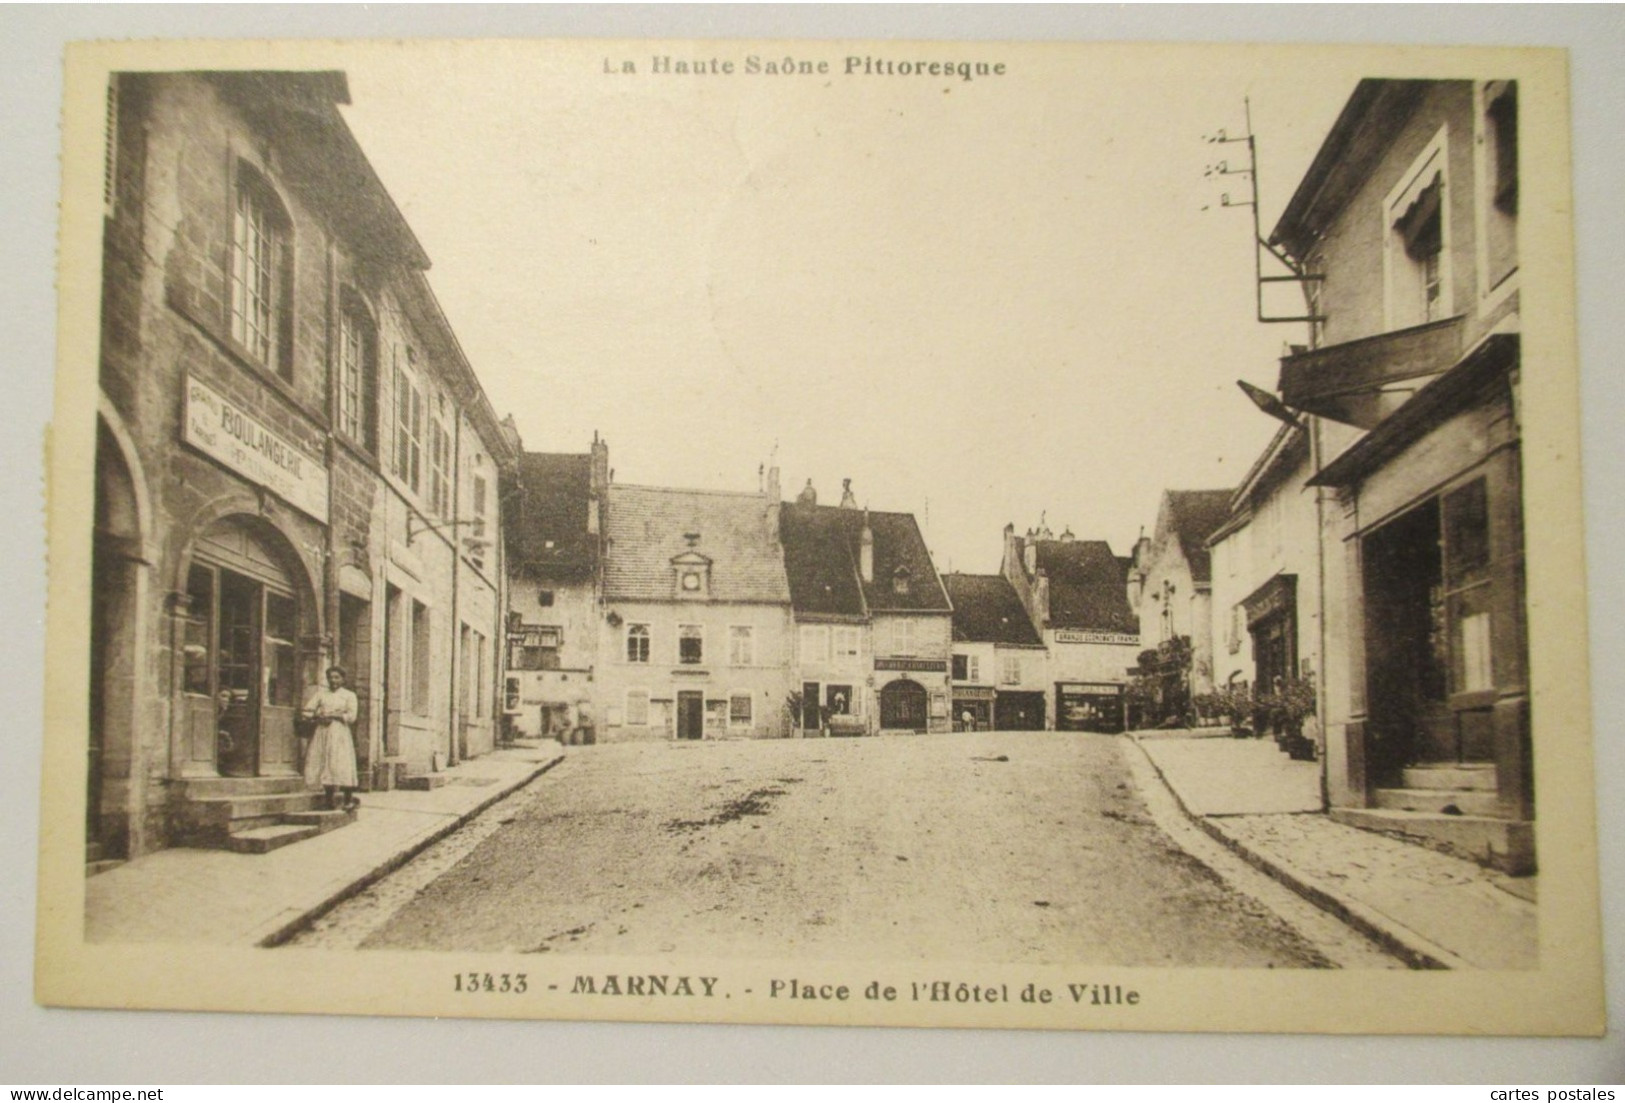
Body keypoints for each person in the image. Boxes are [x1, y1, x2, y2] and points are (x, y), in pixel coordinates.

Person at [303, 665, 360, 811]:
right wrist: (318, 715)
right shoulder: (321, 694)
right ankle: (329, 801)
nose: (333, 680)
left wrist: (334, 715)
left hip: (339, 733)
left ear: (342, 679)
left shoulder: (349, 695)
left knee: (341, 762)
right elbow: (307, 711)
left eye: (336, 677)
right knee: (324, 761)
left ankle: (348, 799)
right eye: (330, 677)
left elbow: (352, 717)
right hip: (323, 731)